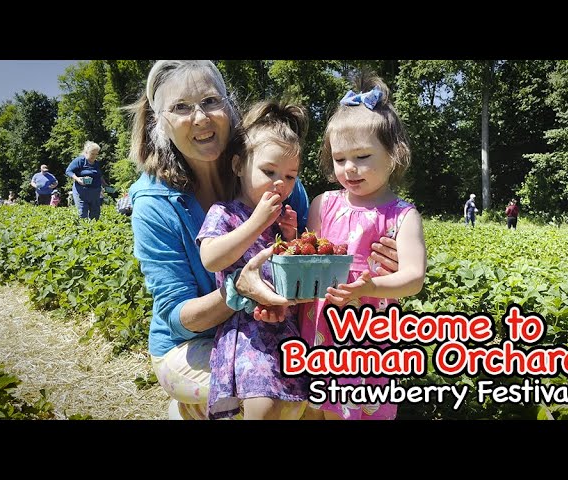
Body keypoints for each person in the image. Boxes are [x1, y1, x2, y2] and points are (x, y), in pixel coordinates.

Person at [127, 60, 401, 420]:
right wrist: (239, 292)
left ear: (229, 107)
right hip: (192, 341)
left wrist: (376, 260)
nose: (200, 118)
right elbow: (180, 318)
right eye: (181, 107)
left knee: (310, 388)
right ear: (159, 123)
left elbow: (312, 251)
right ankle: (192, 410)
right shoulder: (154, 203)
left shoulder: (274, 175)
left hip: (272, 326)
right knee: (266, 388)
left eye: (210, 101)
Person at [299, 76, 427, 420]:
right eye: (339, 159)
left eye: (362, 156)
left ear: (394, 155)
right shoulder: (322, 204)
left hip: (369, 334)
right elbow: (307, 259)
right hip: (319, 330)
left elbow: (414, 277)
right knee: (314, 409)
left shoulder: (403, 215)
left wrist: (372, 286)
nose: (349, 168)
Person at [196, 100, 310, 420]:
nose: (280, 184)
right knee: (263, 401)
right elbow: (212, 258)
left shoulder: (280, 217)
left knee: (294, 401)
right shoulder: (225, 213)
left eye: (290, 176)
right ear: (238, 166)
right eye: (269, 171)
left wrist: (290, 238)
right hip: (245, 328)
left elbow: (290, 270)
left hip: (283, 323)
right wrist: (256, 223)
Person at [66, 141, 108, 220]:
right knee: (82, 213)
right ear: (86, 152)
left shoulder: (96, 163)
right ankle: (84, 230)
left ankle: (94, 231)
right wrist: (77, 179)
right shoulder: (79, 161)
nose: (94, 156)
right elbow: (69, 171)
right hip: (81, 192)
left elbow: (99, 175)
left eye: (96, 154)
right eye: (92, 153)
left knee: (95, 214)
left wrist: (105, 184)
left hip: (95, 192)